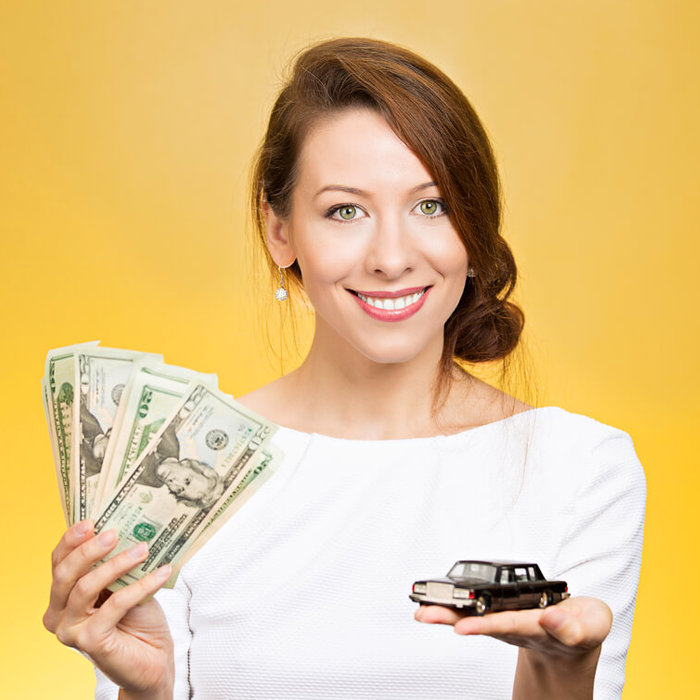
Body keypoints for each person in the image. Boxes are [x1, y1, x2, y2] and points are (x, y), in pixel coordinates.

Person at [42, 37, 646, 699]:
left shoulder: (585, 469)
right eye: (345, 211)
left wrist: (561, 673)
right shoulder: (182, 475)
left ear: (475, 231)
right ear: (280, 232)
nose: (391, 257)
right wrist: (148, 692)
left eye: (431, 205)